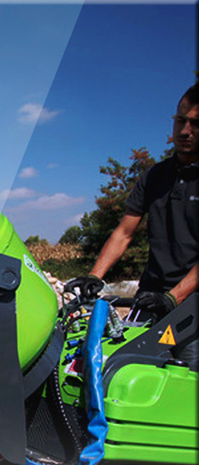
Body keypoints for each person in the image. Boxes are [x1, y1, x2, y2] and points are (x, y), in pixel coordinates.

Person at [63, 83, 199, 329]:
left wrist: (174, 297)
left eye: (196, 124)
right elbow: (124, 233)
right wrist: (95, 276)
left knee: (185, 366)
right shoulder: (155, 175)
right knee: (122, 359)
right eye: (180, 120)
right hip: (151, 293)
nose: (185, 130)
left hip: (190, 301)